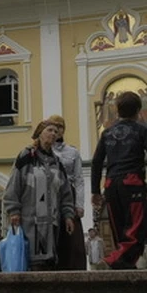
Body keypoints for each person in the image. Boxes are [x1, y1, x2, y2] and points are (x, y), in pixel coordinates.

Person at [91, 91, 147, 270]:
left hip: (110, 184)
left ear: (117, 110)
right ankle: (113, 261)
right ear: (139, 111)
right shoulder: (142, 131)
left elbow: (96, 161)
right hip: (132, 183)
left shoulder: (107, 133)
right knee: (135, 230)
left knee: (119, 230)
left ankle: (123, 266)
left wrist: (95, 190)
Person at [3, 119, 75, 271]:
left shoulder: (57, 162)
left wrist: (68, 214)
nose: (53, 134)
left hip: (52, 222)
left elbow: (65, 191)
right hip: (31, 220)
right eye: (49, 130)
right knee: (34, 262)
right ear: (39, 133)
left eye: (56, 132)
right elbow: (14, 184)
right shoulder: (26, 156)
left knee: (49, 263)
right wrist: (13, 210)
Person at [48, 114, 89, 270]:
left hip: (69, 194)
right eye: (52, 127)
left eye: (59, 127)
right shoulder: (43, 150)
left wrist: (79, 204)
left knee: (72, 236)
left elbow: (79, 179)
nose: (56, 131)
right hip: (50, 193)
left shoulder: (72, 152)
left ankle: (74, 268)